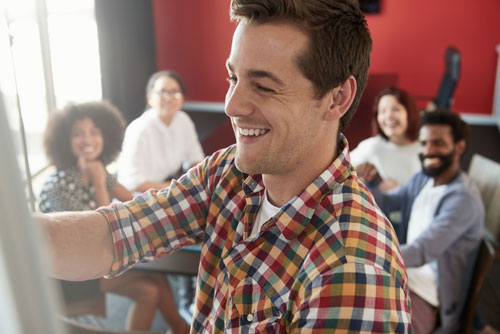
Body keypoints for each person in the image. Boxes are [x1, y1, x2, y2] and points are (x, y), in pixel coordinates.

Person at [37, 1, 412, 333]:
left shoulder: (353, 272)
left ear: (336, 99)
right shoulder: (229, 174)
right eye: (233, 77)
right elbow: (116, 233)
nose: (232, 105)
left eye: (263, 86)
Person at [39, 101, 189, 333]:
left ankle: (178, 328)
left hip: (96, 258)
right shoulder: (58, 186)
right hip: (72, 272)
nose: (87, 140)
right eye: (78, 134)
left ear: (105, 136)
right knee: (151, 286)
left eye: (94, 132)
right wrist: (100, 181)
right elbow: (96, 233)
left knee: (153, 285)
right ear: (65, 141)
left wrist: (103, 178)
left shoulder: (96, 168)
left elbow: (131, 202)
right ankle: (180, 327)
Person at [366, 110, 484, 334]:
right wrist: (371, 182)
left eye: (438, 143)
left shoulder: (463, 199)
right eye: (424, 143)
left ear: (459, 147)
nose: (428, 151)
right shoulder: (425, 177)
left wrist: (372, 255)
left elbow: (422, 251)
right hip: (408, 275)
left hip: (430, 297)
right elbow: (390, 201)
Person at [117, 70, 205, 193]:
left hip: (168, 191)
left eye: (174, 92)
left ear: (182, 98)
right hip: (138, 199)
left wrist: (198, 181)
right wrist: (182, 187)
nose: (168, 98)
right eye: (162, 92)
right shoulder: (139, 129)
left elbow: (195, 160)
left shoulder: (183, 120)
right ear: (149, 98)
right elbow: (133, 183)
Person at [351, 86, 421, 192]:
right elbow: (340, 169)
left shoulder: (425, 147)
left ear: (409, 112)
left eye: (396, 109)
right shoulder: (372, 147)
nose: (389, 116)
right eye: (383, 111)